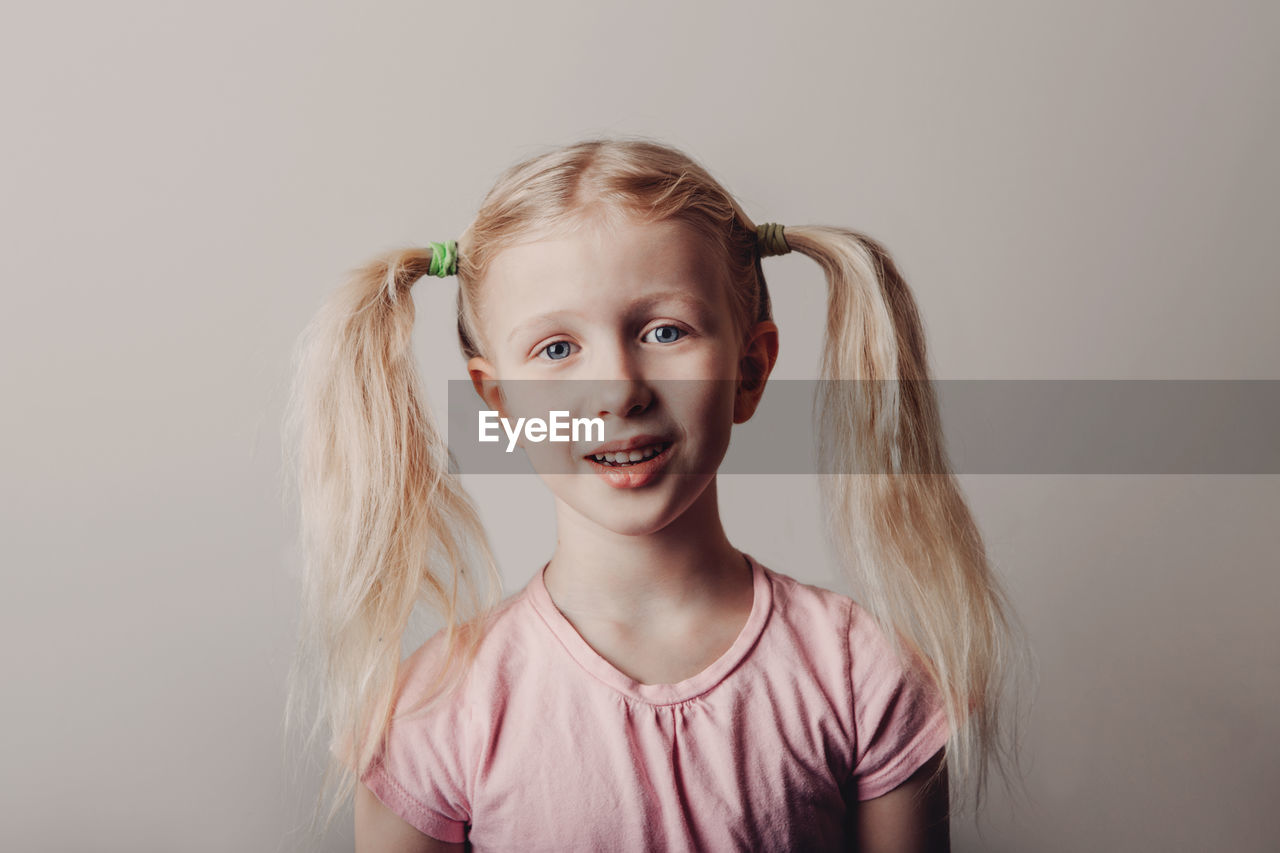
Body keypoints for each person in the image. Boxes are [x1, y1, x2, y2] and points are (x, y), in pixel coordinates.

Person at [283, 137, 1029, 851]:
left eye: (666, 332)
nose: (619, 389)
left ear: (751, 369)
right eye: (557, 349)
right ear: (499, 402)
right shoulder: (432, 713)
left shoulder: (862, 672)